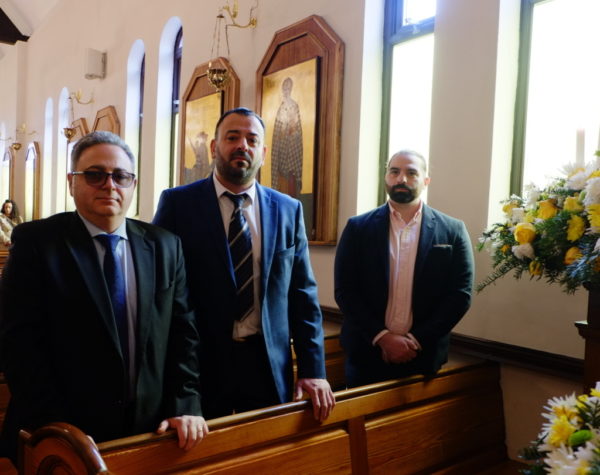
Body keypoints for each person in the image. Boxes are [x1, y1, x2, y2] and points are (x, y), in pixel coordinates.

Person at [0, 131, 207, 462]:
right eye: (95, 175)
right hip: (58, 434)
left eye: (120, 176)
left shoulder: (165, 245)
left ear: (132, 184)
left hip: (149, 430)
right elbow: (19, 345)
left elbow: (184, 336)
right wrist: (59, 429)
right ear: (72, 182)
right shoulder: (37, 243)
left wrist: (185, 406)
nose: (109, 185)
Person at [153, 107, 335, 422]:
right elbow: (161, 290)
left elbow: (302, 294)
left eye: (252, 140)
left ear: (263, 153)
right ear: (214, 147)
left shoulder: (288, 209)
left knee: (265, 446)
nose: (242, 146)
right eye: (232, 137)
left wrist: (313, 369)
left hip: (266, 362)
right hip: (200, 362)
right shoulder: (178, 203)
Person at [334, 149, 474, 387]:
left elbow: (460, 295)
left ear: (426, 180)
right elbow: (345, 291)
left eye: (411, 173)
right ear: (386, 177)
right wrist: (383, 337)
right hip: (366, 352)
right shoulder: (357, 228)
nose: (401, 179)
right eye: (394, 172)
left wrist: (416, 340)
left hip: (423, 355)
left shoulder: (453, 230)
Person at [271, 77, 303, 198]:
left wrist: (291, 132)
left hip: (292, 153)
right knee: (281, 186)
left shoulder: (294, 106)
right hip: (281, 152)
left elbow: (297, 130)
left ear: (291, 89)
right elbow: (277, 132)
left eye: (288, 88)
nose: (286, 91)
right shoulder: (280, 108)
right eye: (284, 88)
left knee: (291, 185)